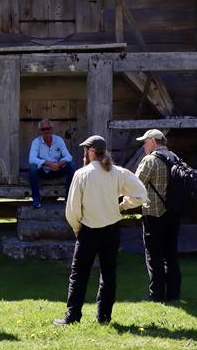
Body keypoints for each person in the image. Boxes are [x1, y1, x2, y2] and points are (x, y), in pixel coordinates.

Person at [54, 135, 147, 326]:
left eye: (86, 150)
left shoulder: (82, 174)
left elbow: (72, 209)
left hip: (88, 231)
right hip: (111, 231)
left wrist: (76, 228)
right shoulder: (118, 173)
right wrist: (122, 206)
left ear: (91, 151)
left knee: (79, 275)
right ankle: (104, 317)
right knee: (108, 274)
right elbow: (141, 194)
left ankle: (72, 317)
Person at [134, 128, 181, 302]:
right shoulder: (175, 157)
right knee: (171, 254)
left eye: (145, 142)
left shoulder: (150, 160)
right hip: (173, 212)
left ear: (153, 141)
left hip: (153, 214)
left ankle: (157, 295)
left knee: (154, 255)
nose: (144, 146)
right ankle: (174, 294)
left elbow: (137, 186)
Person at [27, 119, 75, 208]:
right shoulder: (36, 142)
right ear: (40, 131)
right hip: (44, 171)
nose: (46, 131)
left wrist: (59, 164)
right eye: (43, 129)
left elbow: (68, 156)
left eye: (48, 129)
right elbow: (32, 159)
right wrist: (48, 164)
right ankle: (36, 199)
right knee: (32, 167)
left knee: (71, 164)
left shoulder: (58, 140)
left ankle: (68, 197)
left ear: (51, 129)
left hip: (57, 169)